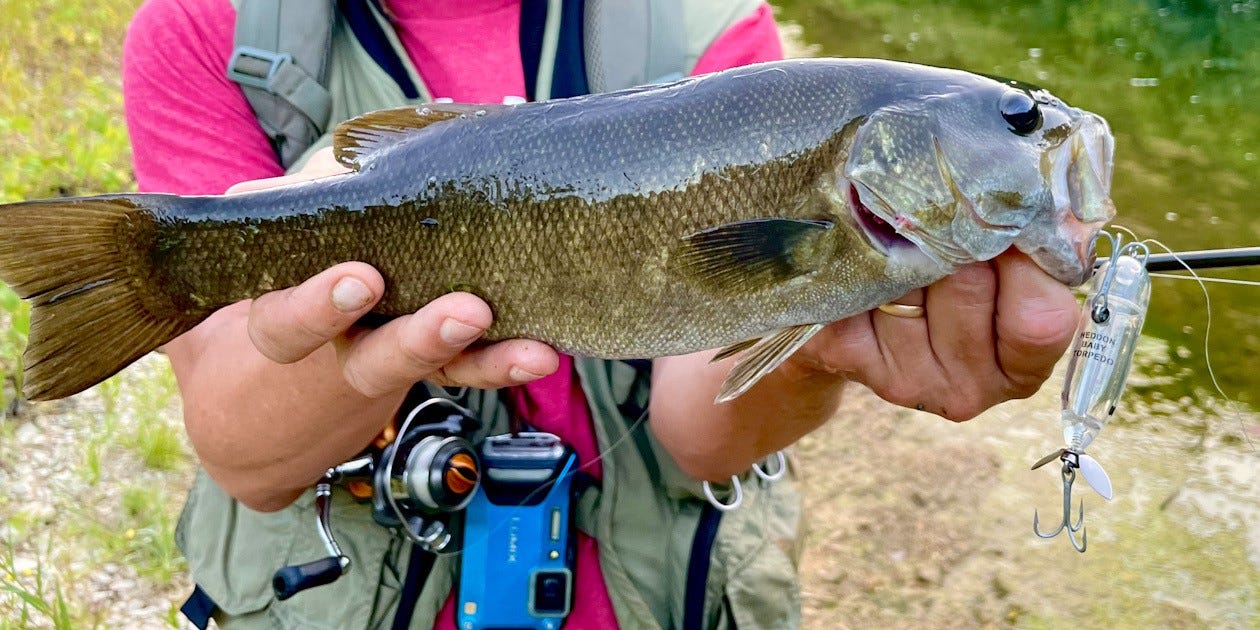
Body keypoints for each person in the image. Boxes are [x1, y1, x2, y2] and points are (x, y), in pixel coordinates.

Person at [121, 1, 1079, 628]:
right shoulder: (209, 28)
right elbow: (243, 460)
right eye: (1022, 121)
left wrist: (815, 344)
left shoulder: (707, 26)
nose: (1039, 138)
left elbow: (701, 437)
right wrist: (355, 356)